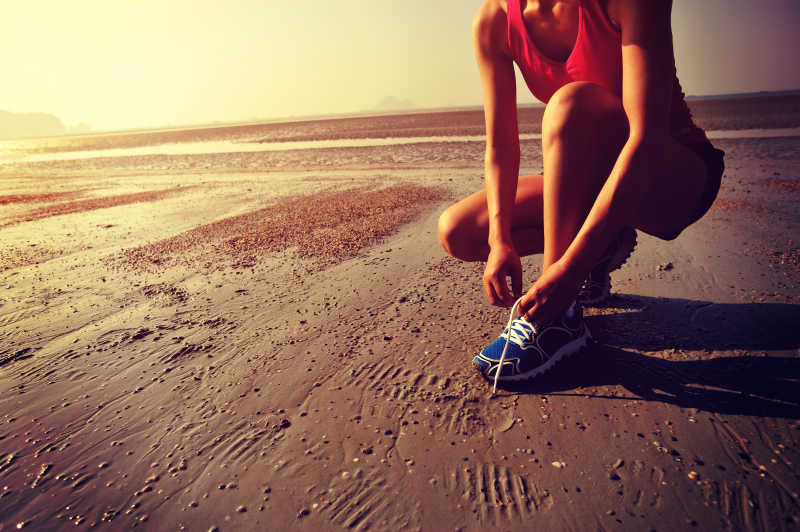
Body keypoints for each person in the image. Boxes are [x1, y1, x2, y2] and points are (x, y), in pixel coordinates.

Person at [437, 0, 724, 387]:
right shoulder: (495, 20)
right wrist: (500, 239)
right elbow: (501, 145)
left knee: (570, 104)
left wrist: (568, 272)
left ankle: (558, 321)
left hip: (672, 176)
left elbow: (646, 139)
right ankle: (605, 246)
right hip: (590, 180)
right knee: (459, 230)